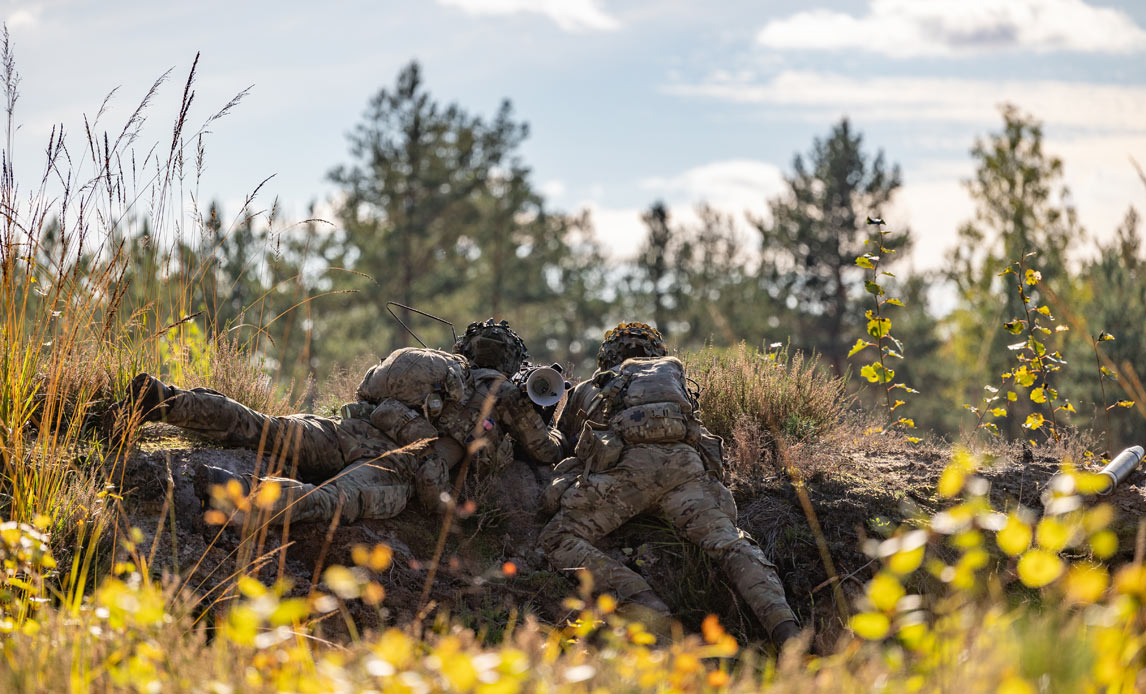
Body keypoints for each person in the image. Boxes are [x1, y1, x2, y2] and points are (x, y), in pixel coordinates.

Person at [121, 319, 564, 526]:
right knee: (330, 500)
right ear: (513, 364)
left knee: (264, 427)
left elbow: (366, 393)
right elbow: (547, 451)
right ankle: (238, 496)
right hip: (396, 463)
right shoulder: (505, 395)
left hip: (353, 429)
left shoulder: (441, 372)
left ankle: (168, 400)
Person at [538, 322, 802, 647]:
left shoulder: (591, 387)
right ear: (658, 355)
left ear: (606, 356)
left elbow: (565, 444)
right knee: (732, 545)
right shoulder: (672, 381)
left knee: (557, 538)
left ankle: (645, 603)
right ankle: (788, 633)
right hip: (684, 473)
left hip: (623, 480)